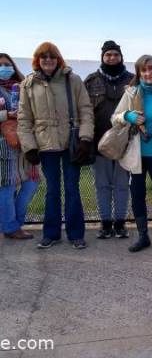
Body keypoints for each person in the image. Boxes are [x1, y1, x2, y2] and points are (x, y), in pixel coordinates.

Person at [17, 42, 94, 249]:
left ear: (58, 59)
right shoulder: (28, 85)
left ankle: (76, 234)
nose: (48, 60)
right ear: (37, 60)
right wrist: (29, 147)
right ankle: (51, 234)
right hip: (45, 144)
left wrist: (85, 139)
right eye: (44, 57)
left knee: (72, 188)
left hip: (71, 142)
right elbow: (24, 119)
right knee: (51, 190)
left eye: (52, 56)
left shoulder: (73, 80)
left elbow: (86, 110)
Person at [112, 55, 152, 253]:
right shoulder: (131, 93)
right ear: (139, 73)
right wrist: (126, 116)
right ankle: (143, 237)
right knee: (137, 194)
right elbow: (114, 118)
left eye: (151, 69)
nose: (148, 73)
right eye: (144, 70)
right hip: (137, 154)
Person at [84, 41, 133, 239]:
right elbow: (84, 111)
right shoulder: (91, 80)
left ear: (121, 57)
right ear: (102, 57)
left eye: (115, 54)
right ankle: (105, 223)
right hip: (99, 144)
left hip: (125, 144)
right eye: (108, 55)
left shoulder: (132, 80)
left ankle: (120, 223)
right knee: (102, 185)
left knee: (122, 185)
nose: (112, 58)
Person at [0, 53, 39, 240]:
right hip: (4, 145)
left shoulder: (23, 87)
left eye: (7, 65)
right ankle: (11, 227)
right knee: (7, 186)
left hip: (26, 142)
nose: (4, 68)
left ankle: (13, 223)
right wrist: (7, 114)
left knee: (32, 182)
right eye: (0, 66)